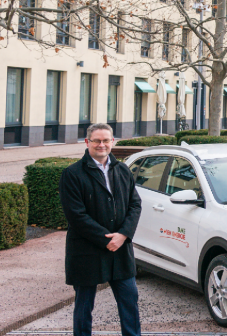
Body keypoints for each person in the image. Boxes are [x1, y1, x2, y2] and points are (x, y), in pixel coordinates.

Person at [58, 124, 142, 336]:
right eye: (96, 140)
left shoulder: (122, 170)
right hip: (87, 250)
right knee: (84, 306)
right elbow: (76, 215)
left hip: (120, 249)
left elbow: (135, 205)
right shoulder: (72, 173)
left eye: (106, 140)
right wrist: (106, 239)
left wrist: (123, 235)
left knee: (129, 301)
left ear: (112, 142)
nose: (101, 145)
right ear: (87, 143)